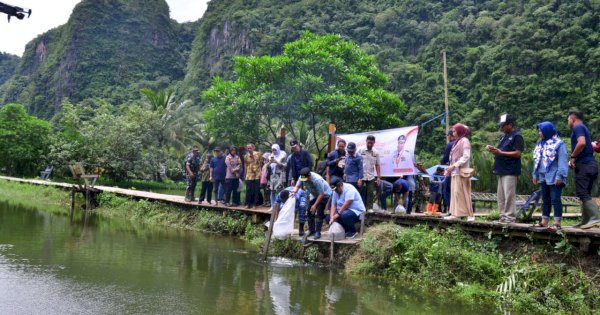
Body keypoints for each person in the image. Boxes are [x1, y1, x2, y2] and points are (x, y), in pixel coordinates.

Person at [485, 114, 524, 223]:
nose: (501, 128)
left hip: (510, 170)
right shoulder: (504, 137)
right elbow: (501, 150)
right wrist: (493, 149)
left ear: (510, 125)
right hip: (501, 170)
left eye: (503, 126)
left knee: (509, 195)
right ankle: (502, 216)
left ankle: (510, 217)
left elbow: (518, 153)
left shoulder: (517, 136)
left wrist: (500, 152)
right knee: (501, 196)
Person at [567, 110, 600, 229]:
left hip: (585, 165)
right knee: (585, 192)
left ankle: (596, 218)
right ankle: (586, 221)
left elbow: (581, 143)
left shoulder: (578, 127)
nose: (568, 122)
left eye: (568, 120)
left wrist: (573, 156)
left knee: (582, 192)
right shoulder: (583, 127)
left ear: (573, 119)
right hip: (590, 164)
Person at [532, 122, 568, 229]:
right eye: (538, 131)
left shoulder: (559, 144)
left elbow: (563, 160)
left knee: (555, 199)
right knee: (545, 199)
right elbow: (537, 160)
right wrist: (535, 174)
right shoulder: (540, 144)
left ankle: (557, 222)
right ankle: (544, 221)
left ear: (547, 131)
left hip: (555, 176)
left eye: (541, 131)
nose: (539, 133)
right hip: (543, 176)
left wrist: (560, 176)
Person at [444, 123, 474, 221]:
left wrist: (454, 165)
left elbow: (466, 156)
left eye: (455, 130)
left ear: (460, 131)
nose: (453, 132)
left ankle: (469, 215)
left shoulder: (464, 141)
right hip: (454, 172)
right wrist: (449, 169)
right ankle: (455, 214)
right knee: (455, 193)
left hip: (461, 172)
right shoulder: (457, 141)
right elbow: (452, 158)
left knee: (463, 193)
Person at [294, 167, 331, 239]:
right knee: (309, 211)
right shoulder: (302, 177)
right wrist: (293, 192)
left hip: (324, 195)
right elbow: (297, 186)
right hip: (314, 194)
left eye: (307, 179)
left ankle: (318, 232)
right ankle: (311, 230)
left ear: (309, 175)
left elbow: (321, 194)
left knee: (319, 212)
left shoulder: (317, 180)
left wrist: (315, 205)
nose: (305, 181)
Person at [358, 135, 381, 210]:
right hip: (361, 176)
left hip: (371, 176)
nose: (370, 144)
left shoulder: (376, 152)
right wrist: (358, 178)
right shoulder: (360, 150)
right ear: (366, 142)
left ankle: (369, 210)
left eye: (372, 143)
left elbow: (377, 165)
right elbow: (357, 164)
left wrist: (378, 177)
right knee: (360, 193)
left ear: (374, 143)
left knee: (370, 193)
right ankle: (360, 210)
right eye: (369, 143)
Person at [244, 143, 262, 209]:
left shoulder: (258, 154)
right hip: (249, 174)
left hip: (257, 174)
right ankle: (247, 204)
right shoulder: (246, 156)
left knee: (256, 190)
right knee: (248, 190)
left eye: (250, 148)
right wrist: (245, 174)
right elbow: (245, 165)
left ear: (253, 148)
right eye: (248, 148)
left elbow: (260, 164)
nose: (249, 149)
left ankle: (255, 204)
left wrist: (260, 172)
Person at [441, 130, 455, 212]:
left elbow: (445, 158)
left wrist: (441, 163)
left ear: (450, 135)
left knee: (446, 190)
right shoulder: (461, 142)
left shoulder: (450, 144)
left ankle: (451, 210)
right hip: (460, 169)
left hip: (451, 170)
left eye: (448, 136)